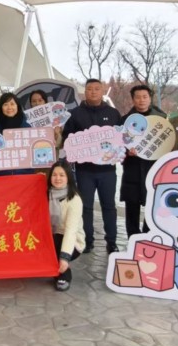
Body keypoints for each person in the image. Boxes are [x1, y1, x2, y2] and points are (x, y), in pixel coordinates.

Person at [62, 78, 122, 254]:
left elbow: (121, 138)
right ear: (85, 92)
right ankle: (87, 241)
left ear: (102, 91)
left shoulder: (113, 113)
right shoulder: (75, 114)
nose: (93, 92)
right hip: (85, 170)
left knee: (109, 206)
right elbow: (67, 138)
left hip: (108, 170)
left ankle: (112, 242)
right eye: (89, 89)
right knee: (85, 207)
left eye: (97, 89)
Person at [119, 84, 166, 238]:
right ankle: (133, 238)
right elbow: (117, 147)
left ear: (150, 98)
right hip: (132, 169)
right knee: (131, 206)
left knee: (153, 205)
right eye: (138, 97)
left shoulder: (162, 120)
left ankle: (147, 237)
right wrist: (126, 152)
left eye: (145, 97)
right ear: (133, 100)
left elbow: (168, 144)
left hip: (154, 169)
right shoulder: (124, 121)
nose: (141, 100)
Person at [47, 161, 85, 291]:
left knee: (57, 246)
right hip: (51, 234)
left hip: (71, 241)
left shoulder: (74, 199)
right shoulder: (46, 194)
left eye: (62, 175)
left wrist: (64, 257)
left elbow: (71, 231)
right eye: (54, 175)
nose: (57, 178)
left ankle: (64, 273)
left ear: (68, 177)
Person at [0, 92, 32, 176]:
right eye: (5, 104)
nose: (9, 107)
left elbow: (33, 151)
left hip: (24, 174)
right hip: (1, 175)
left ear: (17, 106)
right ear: (1, 108)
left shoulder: (27, 127)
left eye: (12, 104)